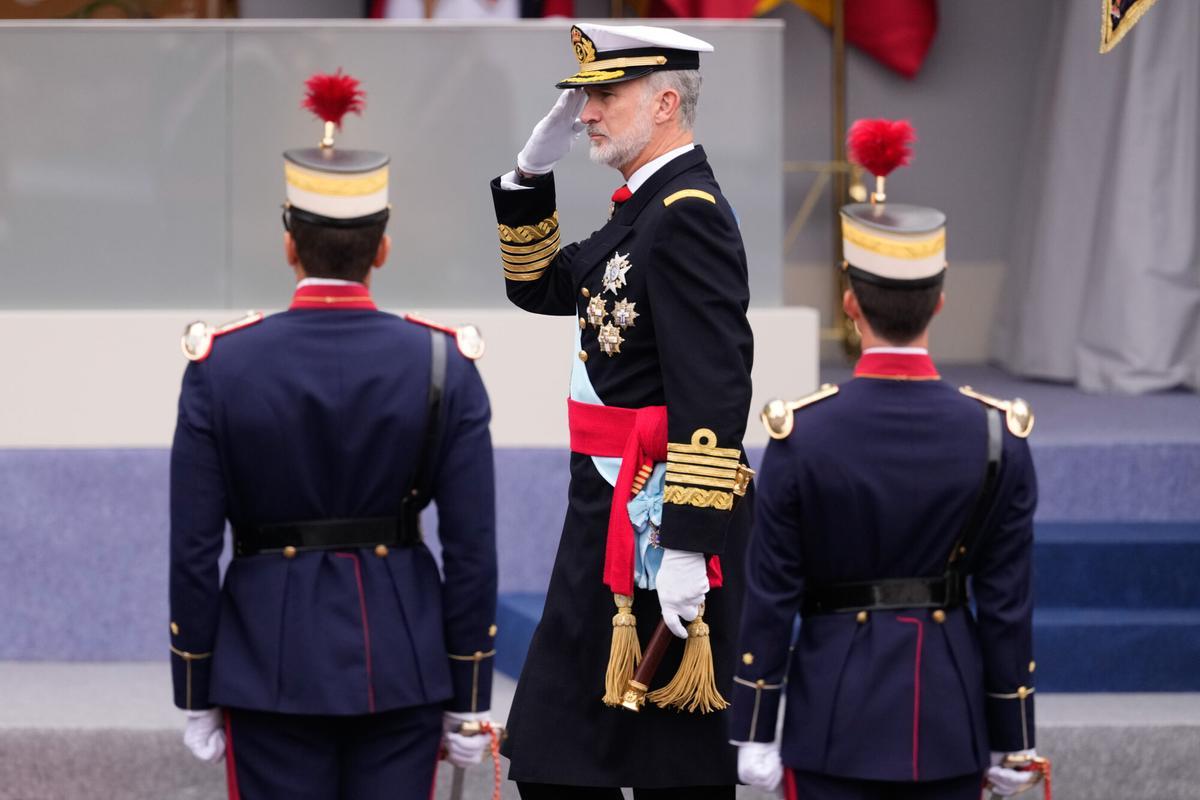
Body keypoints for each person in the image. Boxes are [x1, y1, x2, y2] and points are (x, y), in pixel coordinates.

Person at [168, 71, 498, 799]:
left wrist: (194, 680)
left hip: (265, 662)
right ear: (381, 248)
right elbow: (472, 547)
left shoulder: (221, 366)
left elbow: (194, 549)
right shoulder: (444, 362)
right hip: (405, 658)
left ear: (290, 244)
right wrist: (470, 693)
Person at [732, 119, 1047, 800]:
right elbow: (1005, 602)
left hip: (830, 720)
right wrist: (1014, 734)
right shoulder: (999, 436)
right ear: (939, 302)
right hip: (952, 719)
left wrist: (755, 723)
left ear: (850, 306)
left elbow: (772, 591)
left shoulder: (800, 434)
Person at [488, 22, 755, 799]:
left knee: (666, 760)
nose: (586, 113)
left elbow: (715, 388)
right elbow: (541, 285)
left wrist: (686, 544)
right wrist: (530, 173)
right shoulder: (645, 206)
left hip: (655, 518)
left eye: (605, 94)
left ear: (665, 101)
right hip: (609, 503)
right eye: (583, 96)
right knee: (561, 752)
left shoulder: (687, 212)